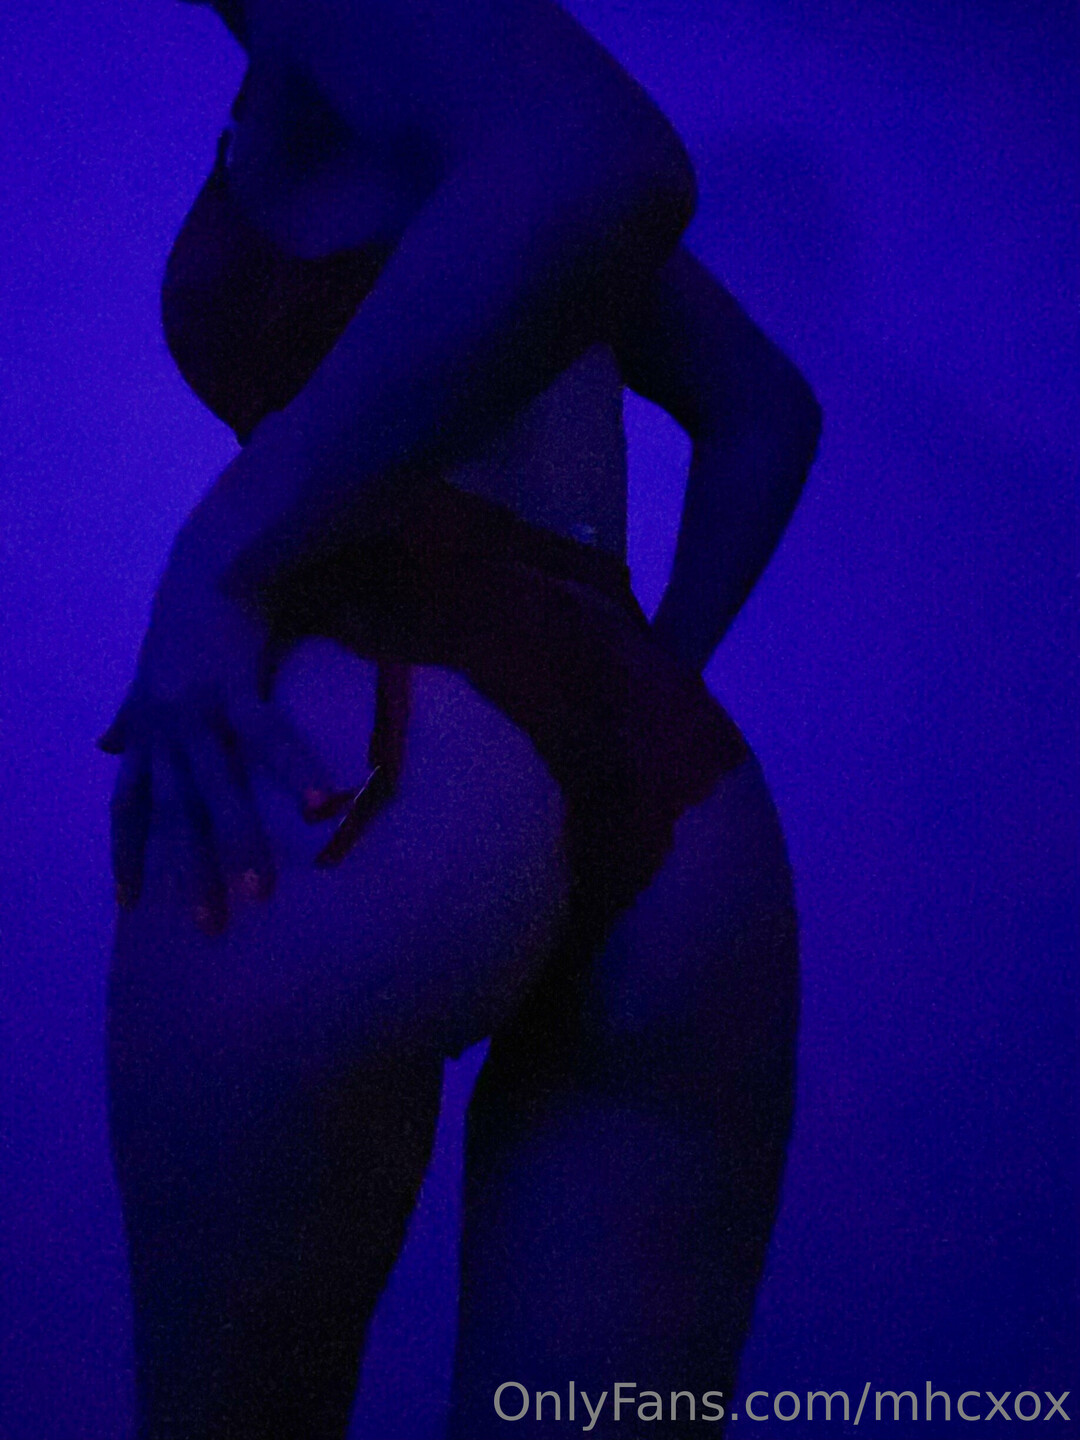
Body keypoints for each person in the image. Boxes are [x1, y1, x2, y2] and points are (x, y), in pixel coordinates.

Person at [99, 0, 822, 1434]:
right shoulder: (445, 116)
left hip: (383, 737)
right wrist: (649, 683)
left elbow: (610, 155)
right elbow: (765, 410)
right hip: (682, 807)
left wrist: (219, 555)